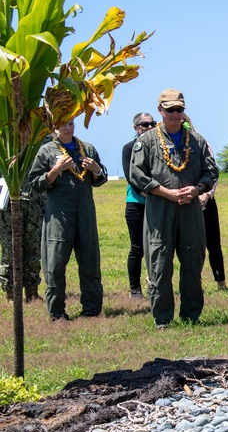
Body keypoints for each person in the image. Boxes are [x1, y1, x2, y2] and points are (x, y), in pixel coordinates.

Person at [128, 89, 219, 330]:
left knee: (193, 260)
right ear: (160, 110)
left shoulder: (197, 141)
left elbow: (211, 172)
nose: (175, 114)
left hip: (190, 209)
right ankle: (162, 318)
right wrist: (163, 191)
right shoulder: (146, 141)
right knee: (159, 262)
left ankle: (191, 316)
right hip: (160, 209)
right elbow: (136, 175)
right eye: (170, 110)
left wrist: (198, 188)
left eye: (179, 109)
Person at [27, 120, 107, 321]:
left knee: (90, 260)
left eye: (71, 123)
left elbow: (101, 178)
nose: (68, 128)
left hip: (85, 212)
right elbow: (35, 183)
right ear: (54, 126)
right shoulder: (46, 151)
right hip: (59, 214)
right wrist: (54, 171)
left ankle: (92, 309)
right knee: (55, 262)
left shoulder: (86, 148)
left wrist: (96, 169)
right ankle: (57, 312)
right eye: (63, 124)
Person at [180, 114, 228, 291]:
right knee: (187, 244)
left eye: (185, 121)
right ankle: (193, 282)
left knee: (213, 243)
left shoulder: (202, 143)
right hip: (183, 201)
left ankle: (221, 283)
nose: (183, 124)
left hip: (205, 199)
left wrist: (207, 194)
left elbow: (213, 172)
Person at [123, 112, 156, 300]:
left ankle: (155, 284)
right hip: (137, 203)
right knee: (138, 248)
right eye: (145, 124)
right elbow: (132, 178)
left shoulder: (158, 147)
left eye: (152, 123)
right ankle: (135, 290)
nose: (149, 127)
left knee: (157, 246)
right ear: (136, 127)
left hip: (157, 203)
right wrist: (153, 194)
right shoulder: (129, 148)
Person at [0, 177, 45, 304]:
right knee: (10, 250)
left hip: (35, 201)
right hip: (8, 202)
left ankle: (32, 292)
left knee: (34, 248)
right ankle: (11, 294)